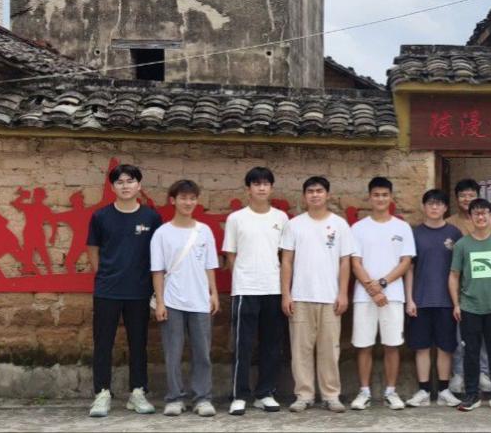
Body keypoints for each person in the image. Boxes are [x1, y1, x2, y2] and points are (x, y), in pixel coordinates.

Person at [86, 163, 162, 417]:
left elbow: (158, 254)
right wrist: (104, 274)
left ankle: (138, 392)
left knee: (138, 343)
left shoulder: (151, 218)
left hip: (139, 290)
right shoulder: (101, 216)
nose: (125, 186)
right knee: (103, 343)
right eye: (120, 182)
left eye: (130, 181)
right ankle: (102, 393)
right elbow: (93, 249)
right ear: (112, 187)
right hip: (107, 290)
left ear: (139, 185)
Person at [280, 176, 354, 413]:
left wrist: (343, 293)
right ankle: (304, 395)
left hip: (330, 297)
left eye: (319, 191)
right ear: (304, 196)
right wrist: (286, 294)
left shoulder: (340, 225)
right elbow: (286, 261)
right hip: (301, 296)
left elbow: (345, 262)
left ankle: (331, 395)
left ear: (327, 195)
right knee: (300, 350)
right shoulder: (294, 224)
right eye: (310, 191)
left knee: (329, 350)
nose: (315, 195)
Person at [150, 180, 220, 417]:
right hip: (172, 301)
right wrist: (160, 302)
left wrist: (213, 293)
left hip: (200, 300)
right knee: (173, 353)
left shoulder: (204, 231)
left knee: (202, 353)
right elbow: (157, 270)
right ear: (173, 200)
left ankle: (202, 398)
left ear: (197, 201)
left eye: (192, 198)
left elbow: (210, 265)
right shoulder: (162, 233)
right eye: (183, 198)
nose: (188, 202)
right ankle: (174, 397)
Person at [223, 167, 289, 416]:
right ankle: (239, 395)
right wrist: (241, 278)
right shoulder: (236, 218)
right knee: (243, 345)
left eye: (266, 184)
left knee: (272, 344)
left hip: (273, 288)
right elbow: (230, 255)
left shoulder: (281, 218)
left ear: (271, 188)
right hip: (245, 289)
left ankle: (265, 393)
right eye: (256, 184)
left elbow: (285, 255)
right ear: (248, 188)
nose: (261, 188)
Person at [349, 177, 416, 411]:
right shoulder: (358, 228)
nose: (380, 199)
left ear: (391, 197)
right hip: (363, 296)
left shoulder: (402, 227)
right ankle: (364, 392)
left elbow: (405, 261)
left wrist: (383, 283)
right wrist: (372, 288)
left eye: (384, 195)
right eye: (376, 195)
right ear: (369, 197)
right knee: (364, 345)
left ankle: (391, 391)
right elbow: (355, 263)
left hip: (393, 295)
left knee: (392, 345)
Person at [449, 198, 491, 413]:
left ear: (490, 216)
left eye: (484, 213)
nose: (480, 217)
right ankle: (471, 395)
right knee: (470, 353)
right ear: (470, 217)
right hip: (469, 307)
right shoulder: (462, 245)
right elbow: (454, 275)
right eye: (476, 213)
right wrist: (456, 304)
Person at [404, 189, 464, 407]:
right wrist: (410, 299)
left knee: (445, 347)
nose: (434, 207)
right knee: (421, 347)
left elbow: (460, 270)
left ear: (446, 208)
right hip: (420, 300)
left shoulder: (455, 234)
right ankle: (424, 390)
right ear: (423, 207)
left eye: (439, 203)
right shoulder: (414, 234)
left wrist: (458, 302)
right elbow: (409, 269)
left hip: (447, 301)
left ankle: (444, 391)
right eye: (430, 203)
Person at [445, 179, 491, 395]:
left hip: (484, 288)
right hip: (459, 287)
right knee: (459, 335)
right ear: (456, 199)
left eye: (471, 195)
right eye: (462, 195)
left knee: (483, 335)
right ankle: (459, 373)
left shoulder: (490, 225)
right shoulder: (449, 224)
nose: (466, 199)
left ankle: (483, 372)